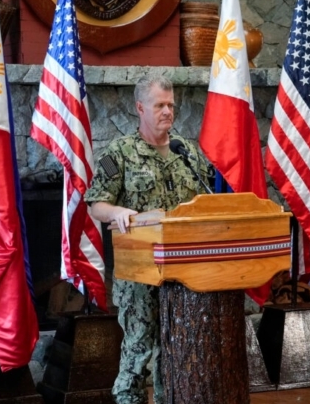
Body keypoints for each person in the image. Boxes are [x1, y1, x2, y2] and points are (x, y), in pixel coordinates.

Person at [85, 74, 211, 404]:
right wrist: (116, 212)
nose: (167, 111)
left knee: (178, 352)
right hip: (141, 272)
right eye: (160, 105)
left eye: (171, 105)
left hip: (184, 273)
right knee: (140, 349)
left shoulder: (188, 152)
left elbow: (207, 202)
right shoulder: (121, 153)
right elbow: (96, 203)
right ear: (140, 107)